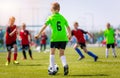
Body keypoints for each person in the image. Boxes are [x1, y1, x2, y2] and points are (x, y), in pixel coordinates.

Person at [35, 2, 71, 75]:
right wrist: (69, 34)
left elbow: (44, 26)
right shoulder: (62, 17)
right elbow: (68, 27)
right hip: (63, 38)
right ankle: (65, 65)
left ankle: (53, 69)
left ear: (51, 9)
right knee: (61, 54)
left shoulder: (50, 18)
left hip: (55, 38)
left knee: (52, 53)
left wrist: (38, 34)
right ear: (59, 9)